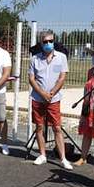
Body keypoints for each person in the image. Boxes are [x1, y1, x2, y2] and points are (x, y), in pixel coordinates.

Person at [28, 32, 72, 169]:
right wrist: (42, 93)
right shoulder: (35, 59)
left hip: (54, 99)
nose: (48, 44)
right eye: (45, 42)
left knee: (57, 127)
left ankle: (63, 158)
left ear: (54, 41)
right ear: (41, 44)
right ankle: (42, 155)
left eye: (50, 41)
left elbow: (62, 78)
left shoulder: (61, 58)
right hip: (37, 98)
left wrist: (51, 93)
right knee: (39, 126)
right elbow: (31, 79)